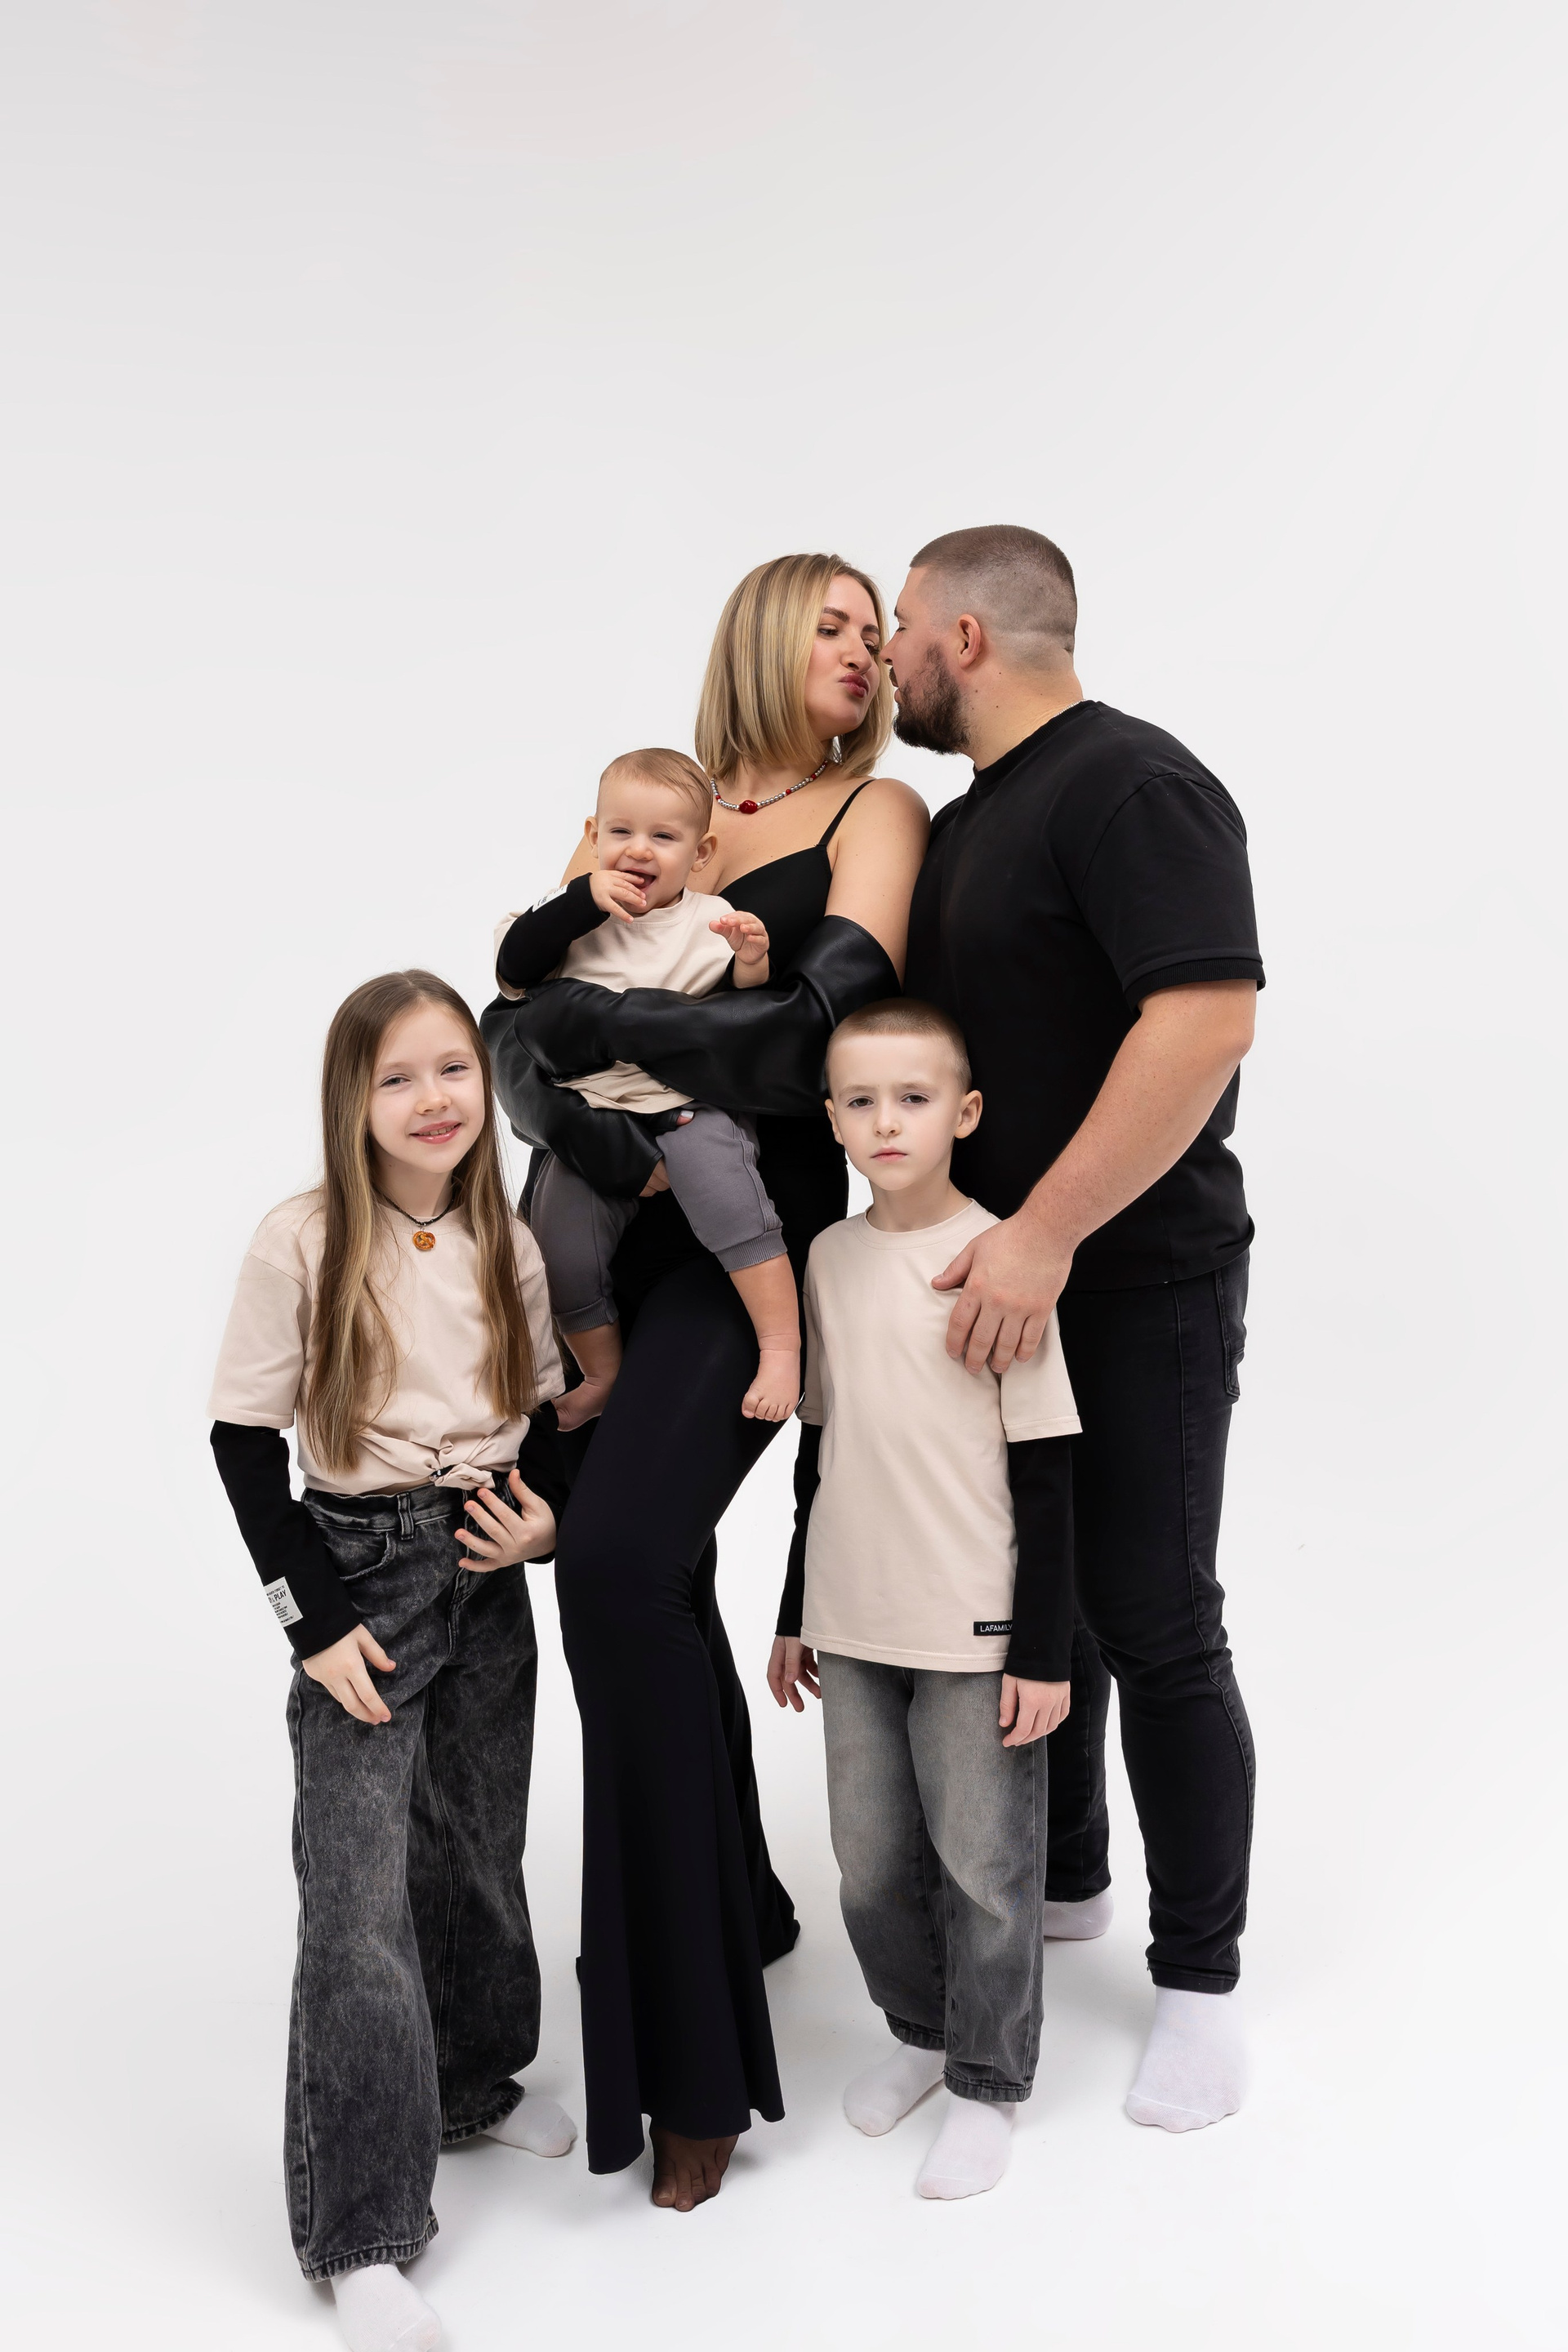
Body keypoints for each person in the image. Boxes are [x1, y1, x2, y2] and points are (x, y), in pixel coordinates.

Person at [483, 552, 929, 2208]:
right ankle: (737, 1905)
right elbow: (517, 1021)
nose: (865, 651)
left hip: (759, 1234)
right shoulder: (650, 804)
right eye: (835, 624)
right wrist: (598, 1103)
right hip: (604, 1218)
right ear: (759, 632)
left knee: (611, 1564)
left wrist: (611, 1048)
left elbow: (820, 1039)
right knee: (634, 1573)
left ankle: (691, 2059)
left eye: (877, 632)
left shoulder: (875, 812)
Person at [892, 524, 1263, 2135]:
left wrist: (1044, 1233)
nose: (888, 659)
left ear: (967, 637)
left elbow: (1209, 1017)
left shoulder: (1130, 783)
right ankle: (1069, 1883)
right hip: (1002, 1293)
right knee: (1050, 1604)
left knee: (1155, 1616)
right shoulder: (971, 822)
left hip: (1138, 1283)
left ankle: (1202, 1986)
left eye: (902, 628)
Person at [209, 970, 576, 2352]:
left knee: (477, 1845)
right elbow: (243, 1443)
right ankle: (362, 2231)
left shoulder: (504, 1239)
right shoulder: (303, 1239)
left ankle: (473, 2084)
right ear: (352, 1101)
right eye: (397, 1078)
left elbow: (546, 1414)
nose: (433, 1100)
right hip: (362, 1573)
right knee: (356, 1900)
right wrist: (312, 1625)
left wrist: (546, 1520)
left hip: (486, 1561)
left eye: (454, 1070)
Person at [768, 1000, 1080, 2201]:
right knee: (868, 1863)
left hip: (974, 1626)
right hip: (853, 1620)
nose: (886, 1121)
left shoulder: (1001, 1256)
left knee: (986, 1872)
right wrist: (795, 1609)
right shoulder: (827, 1258)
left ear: (966, 1112)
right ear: (833, 1120)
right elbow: (822, 1449)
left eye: (913, 1098)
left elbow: (1047, 1468)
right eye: (861, 1100)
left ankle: (990, 2081)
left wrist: (1042, 1650)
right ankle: (921, 2030)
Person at [495, 746, 797, 1428]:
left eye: (664, 836)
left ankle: (782, 1347)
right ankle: (602, 1373)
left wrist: (753, 958)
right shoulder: (568, 918)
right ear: (592, 836)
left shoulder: (710, 917)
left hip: (685, 1104)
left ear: (699, 852)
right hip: (592, 1107)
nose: (639, 849)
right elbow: (514, 970)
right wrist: (580, 900)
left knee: (734, 1206)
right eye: (621, 831)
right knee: (559, 1246)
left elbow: (746, 1011)